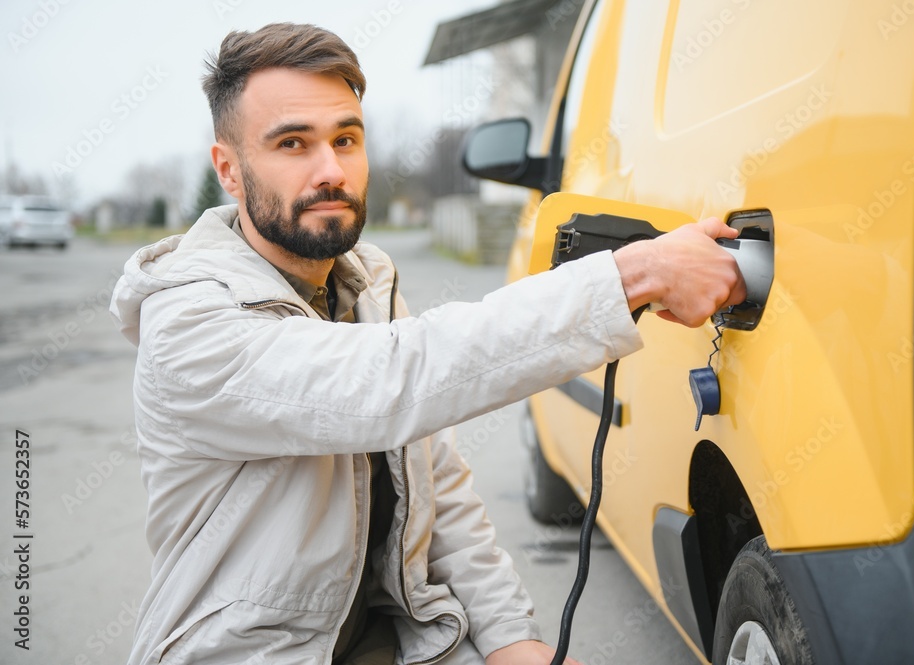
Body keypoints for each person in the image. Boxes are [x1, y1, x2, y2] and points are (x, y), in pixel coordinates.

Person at [109, 22, 744, 665]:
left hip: (392, 638)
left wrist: (508, 639)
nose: (331, 170)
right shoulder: (188, 321)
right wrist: (633, 276)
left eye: (346, 139)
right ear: (230, 170)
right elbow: (391, 383)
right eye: (292, 143)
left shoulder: (365, 285)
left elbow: (439, 490)